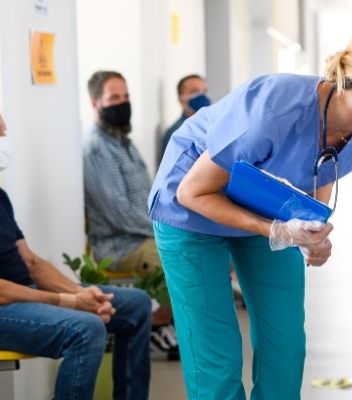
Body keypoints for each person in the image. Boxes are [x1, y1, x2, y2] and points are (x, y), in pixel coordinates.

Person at [148, 16, 352, 399]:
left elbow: (325, 161)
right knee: (215, 354)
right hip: (192, 208)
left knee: (285, 346)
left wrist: (312, 227)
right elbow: (193, 193)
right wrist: (276, 230)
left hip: (263, 203)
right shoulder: (272, 111)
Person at [0, 112, 152, 400]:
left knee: (136, 305)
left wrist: (85, 294)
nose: (4, 139)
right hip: (5, 307)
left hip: (24, 295)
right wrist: (69, 301)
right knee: (86, 329)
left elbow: (30, 262)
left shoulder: (1, 197)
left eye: (4, 130)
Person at [82, 70, 177, 357]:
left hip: (142, 234)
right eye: (114, 98)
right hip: (120, 245)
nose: (122, 103)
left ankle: (161, 325)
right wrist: (166, 227)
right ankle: (153, 325)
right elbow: (120, 213)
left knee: (193, 249)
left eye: (126, 96)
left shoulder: (123, 141)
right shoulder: (96, 149)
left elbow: (148, 195)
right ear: (95, 103)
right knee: (179, 256)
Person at [159, 74, 210, 163]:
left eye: (204, 91)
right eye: (194, 91)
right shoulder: (177, 133)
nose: (202, 95)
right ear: (181, 99)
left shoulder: (211, 126)